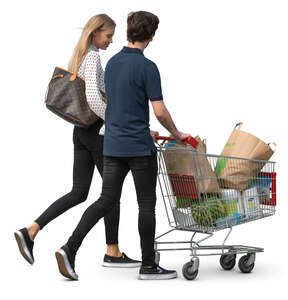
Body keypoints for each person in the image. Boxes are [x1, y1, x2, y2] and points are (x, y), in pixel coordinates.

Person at [55, 11, 191, 281]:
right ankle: (149, 266)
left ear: (129, 32)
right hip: (139, 148)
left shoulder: (113, 63)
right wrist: (175, 132)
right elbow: (160, 111)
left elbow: (115, 105)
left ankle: (69, 248)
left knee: (105, 200)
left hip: (112, 145)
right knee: (146, 206)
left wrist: (140, 125)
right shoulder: (148, 67)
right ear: (151, 36)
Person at [14, 14, 141, 270]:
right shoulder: (93, 56)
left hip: (80, 132)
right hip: (95, 133)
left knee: (79, 192)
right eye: (108, 36)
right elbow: (94, 100)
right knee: (110, 193)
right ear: (95, 33)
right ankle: (109, 251)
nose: (110, 41)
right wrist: (114, 121)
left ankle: (31, 230)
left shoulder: (80, 55)